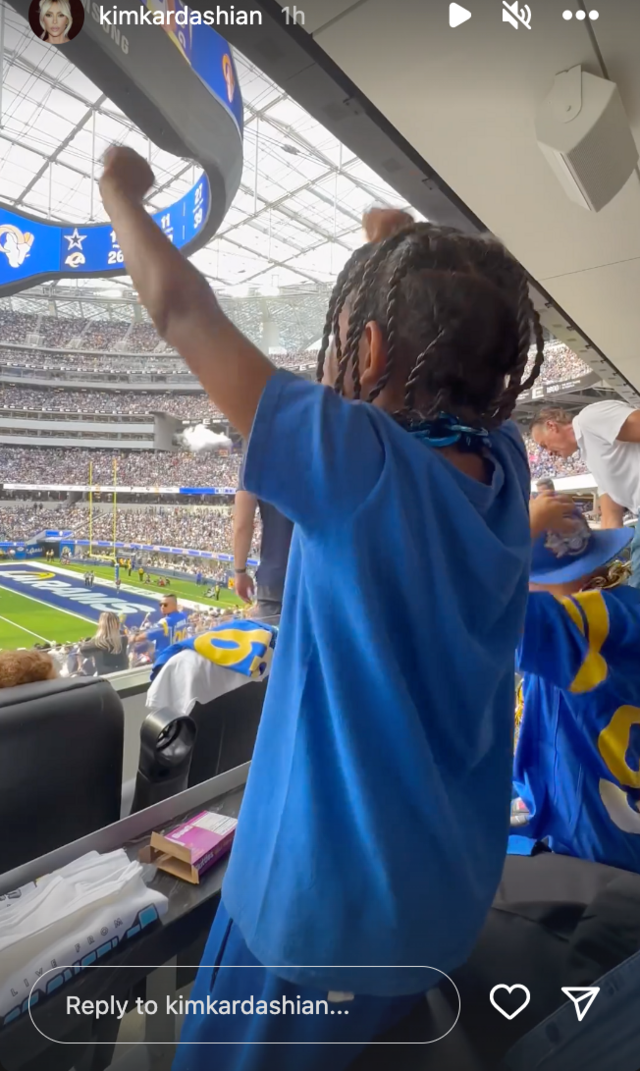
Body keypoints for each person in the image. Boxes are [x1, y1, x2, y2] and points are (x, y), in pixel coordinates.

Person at [100, 147, 544, 1071]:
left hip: (312, 919)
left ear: (372, 352)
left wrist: (120, 192)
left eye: (347, 335)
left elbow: (181, 307)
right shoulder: (504, 474)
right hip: (431, 907)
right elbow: (463, 357)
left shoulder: (357, 466)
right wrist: (399, 253)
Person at [513, 499, 640, 873]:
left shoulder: (581, 625)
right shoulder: (625, 607)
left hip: (594, 843)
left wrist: (515, 539)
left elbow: (481, 612)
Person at [531, 404, 640, 587]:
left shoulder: (588, 418)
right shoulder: (592, 455)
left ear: (552, 426)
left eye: (544, 444)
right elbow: (611, 517)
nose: (548, 453)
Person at [234, 460, 293, 625]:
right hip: (322, 572)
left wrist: (240, 571)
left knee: (274, 647)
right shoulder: (320, 441)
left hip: (276, 579)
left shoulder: (257, 454)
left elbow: (242, 524)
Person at [77, 611, 128, 676]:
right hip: (123, 672)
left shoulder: (99, 642)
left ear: (102, 625)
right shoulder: (122, 636)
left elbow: (83, 650)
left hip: (106, 676)